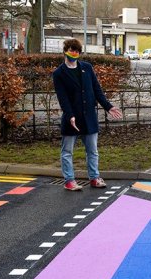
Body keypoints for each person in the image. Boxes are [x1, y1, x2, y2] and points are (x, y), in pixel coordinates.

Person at [52, 38, 123, 191]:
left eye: (77, 51)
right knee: (67, 152)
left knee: (92, 150)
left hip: (89, 116)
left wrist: (108, 107)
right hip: (72, 119)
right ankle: (69, 180)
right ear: (65, 51)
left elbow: (97, 90)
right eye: (71, 50)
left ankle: (94, 177)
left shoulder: (87, 68)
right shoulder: (59, 73)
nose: (74, 53)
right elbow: (62, 97)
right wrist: (70, 115)